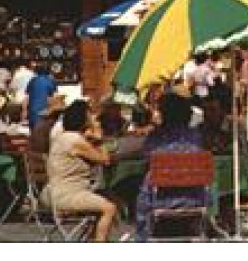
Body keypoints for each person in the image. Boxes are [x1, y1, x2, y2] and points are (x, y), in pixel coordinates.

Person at [134, 92, 207, 242]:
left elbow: (147, 156)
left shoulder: (157, 137)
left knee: (144, 182)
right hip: (193, 199)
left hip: (161, 200)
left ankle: (142, 238)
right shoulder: (196, 136)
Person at [45, 100, 116, 243]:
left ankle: (93, 238)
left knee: (107, 196)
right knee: (109, 208)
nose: (94, 118)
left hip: (52, 192)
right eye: (91, 115)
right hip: (67, 195)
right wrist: (100, 138)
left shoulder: (63, 137)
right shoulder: (75, 140)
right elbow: (105, 160)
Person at [25, 64, 57, 132]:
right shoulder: (50, 81)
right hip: (44, 114)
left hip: (32, 113)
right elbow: (52, 98)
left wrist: (25, 111)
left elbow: (27, 95)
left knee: (34, 134)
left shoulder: (32, 80)